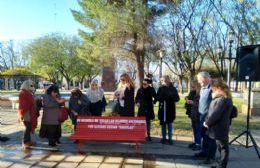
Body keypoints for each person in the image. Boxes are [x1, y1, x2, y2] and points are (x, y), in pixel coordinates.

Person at [203, 79, 233, 168]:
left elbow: (216, 114)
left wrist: (207, 122)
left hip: (220, 127)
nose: (212, 90)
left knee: (223, 148)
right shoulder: (221, 98)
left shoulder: (222, 99)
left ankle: (222, 166)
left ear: (219, 88)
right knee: (220, 147)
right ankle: (220, 164)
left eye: (213, 88)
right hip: (218, 127)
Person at [195, 71, 216, 164]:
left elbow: (215, 104)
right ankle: (204, 152)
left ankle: (211, 157)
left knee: (210, 138)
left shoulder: (212, 88)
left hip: (209, 117)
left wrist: (210, 118)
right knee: (203, 135)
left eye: (200, 79)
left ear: (205, 78)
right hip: (202, 116)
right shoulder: (203, 88)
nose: (199, 81)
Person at [156, 75, 180, 145]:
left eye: (164, 81)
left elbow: (177, 98)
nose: (163, 82)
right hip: (162, 109)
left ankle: (170, 139)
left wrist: (170, 96)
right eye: (162, 81)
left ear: (168, 80)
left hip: (170, 109)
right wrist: (161, 97)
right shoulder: (160, 88)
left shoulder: (173, 88)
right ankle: (163, 138)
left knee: (169, 124)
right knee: (163, 124)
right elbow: (157, 97)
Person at [17, 80, 39, 149]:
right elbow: (26, 103)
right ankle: (25, 142)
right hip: (26, 112)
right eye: (31, 85)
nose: (32, 86)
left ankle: (28, 141)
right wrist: (34, 100)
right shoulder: (23, 92)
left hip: (29, 112)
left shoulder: (27, 92)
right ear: (27, 85)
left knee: (29, 127)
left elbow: (31, 100)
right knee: (28, 127)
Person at [185, 80, 201, 150]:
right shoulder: (192, 92)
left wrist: (192, 102)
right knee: (194, 128)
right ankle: (195, 142)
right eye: (191, 85)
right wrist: (186, 98)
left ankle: (198, 144)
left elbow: (200, 103)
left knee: (198, 129)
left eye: (193, 85)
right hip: (192, 112)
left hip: (198, 113)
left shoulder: (200, 93)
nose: (191, 87)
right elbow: (188, 97)